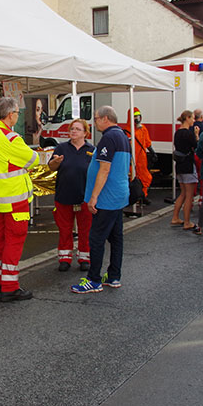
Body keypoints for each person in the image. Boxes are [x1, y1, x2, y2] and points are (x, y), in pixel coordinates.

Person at [0, 97, 39, 302]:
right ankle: (10, 286)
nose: (17, 115)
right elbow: (34, 160)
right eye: (17, 112)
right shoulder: (11, 138)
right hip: (15, 200)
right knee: (14, 242)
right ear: (10, 115)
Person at [70, 106, 131, 294]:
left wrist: (94, 196)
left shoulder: (109, 138)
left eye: (95, 119)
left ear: (105, 119)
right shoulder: (122, 136)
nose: (94, 122)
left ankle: (94, 279)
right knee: (116, 238)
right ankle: (114, 275)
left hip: (107, 196)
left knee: (96, 238)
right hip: (119, 194)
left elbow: (104, 169)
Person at [48, 119, 94, 272]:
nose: (74, 131)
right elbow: (51, 167)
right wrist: (56, 162)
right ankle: (65, 258)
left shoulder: (92, 150)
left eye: (78, 129)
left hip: (84, 197)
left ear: (85, 133)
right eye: (72, 129)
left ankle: (84, 258)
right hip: (64, 196)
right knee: (65, 229)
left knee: (85, 229)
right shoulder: (61, 148)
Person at [170, 110, 198, 230]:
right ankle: (187, 222)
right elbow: (196, 146)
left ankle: (175, 217)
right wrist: (196, 135)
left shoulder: (177, 133)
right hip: (188, 165)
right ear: (187, 118)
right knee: (189, 195)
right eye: (192, 118)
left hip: (179, 165)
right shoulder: (188, 133)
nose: (194, 120)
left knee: (182, 193)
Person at [124, 107, 154, 204]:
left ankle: (143, 195)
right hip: (132, 160)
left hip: (142, 159)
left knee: (146, 178)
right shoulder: (127, 131)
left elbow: (147, 142)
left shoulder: (143, 129)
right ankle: (133, 198)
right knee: (133, 180)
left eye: (138, 116)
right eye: (135, 116)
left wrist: (152, 152)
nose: (137, 118)